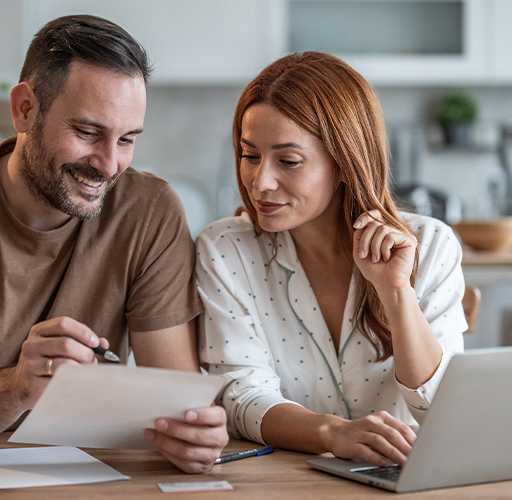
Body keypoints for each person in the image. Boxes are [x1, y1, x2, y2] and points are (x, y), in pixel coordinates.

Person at [0, 15, 227, 474]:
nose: (110, 165)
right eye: (88, 133)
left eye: (128, 140)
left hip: (88, 469)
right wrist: (19, 386)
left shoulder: (150, 211)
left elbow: (173, 390)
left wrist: (191, 432)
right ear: (25, 110)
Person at [196, 52, 467, 468]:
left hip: (404, 480)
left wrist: (395, 293)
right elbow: (240, 397)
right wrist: (333, 433)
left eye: (288, 161)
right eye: (250, 156)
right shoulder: (225, 249)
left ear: (344, 162)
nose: (260, 182)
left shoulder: (430, 245)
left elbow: (441, 409)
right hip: (284, 483)